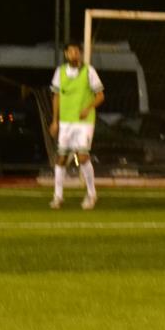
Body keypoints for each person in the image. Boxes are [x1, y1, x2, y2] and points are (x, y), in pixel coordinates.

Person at [49, 42, 106, 210]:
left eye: (76, 51)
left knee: (82, 157)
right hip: (65, 122)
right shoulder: (60, 72)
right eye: (70, 52)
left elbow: (100, 96)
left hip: (84, 122)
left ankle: (91, 194)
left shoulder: (89, 71)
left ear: (80, 54)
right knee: (61, 158)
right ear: (66, 54)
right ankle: (58, 196)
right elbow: (56, 96)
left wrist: (88, 108)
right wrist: (55, 120)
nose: (73, 54)